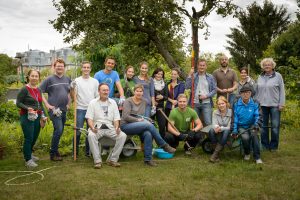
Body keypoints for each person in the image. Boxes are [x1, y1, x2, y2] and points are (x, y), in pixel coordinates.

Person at [120, 84, 176, 167]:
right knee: (148, 125)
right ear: (134, 92)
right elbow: (126, 116)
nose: (139, 93)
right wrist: (138, 120)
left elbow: (141, 115)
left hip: (138, 125)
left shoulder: (144, 101)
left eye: (141, 91)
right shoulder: (128, 101)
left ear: (143, 92)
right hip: (126, 125)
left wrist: (146, 119)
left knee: (148, 134)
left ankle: (148, 160)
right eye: (137, 91)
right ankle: (163, 145)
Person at [86, 83, 127, 168]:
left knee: (122, 135)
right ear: (99, 91)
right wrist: (92, 128)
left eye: (107, 90)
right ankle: (97, 161)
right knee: (91, 135)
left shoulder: (113, 102)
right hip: (97, 127)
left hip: (110, 127)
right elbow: (89, 119)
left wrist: (117, 127)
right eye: (103, 90)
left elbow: (116, 118)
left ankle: (113, 160)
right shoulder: (92, 103)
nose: (106, 92)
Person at [40, 58, 71, 161]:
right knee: (59, 130)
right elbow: (39, 92)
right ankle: (53, 154)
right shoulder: (49, 79)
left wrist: (69, 103)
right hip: (54, 110)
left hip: (64, 109)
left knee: (59, 131)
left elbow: (69, 92)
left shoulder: (67, 79)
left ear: (64, 68)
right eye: (57, 66)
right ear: (54, 67)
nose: (59, 68)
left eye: (61, 66)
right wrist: (47, 104)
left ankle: (55, 149)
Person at [16, 69, 47, 168]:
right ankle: (28, 160)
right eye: (32, 76)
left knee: (34, 137)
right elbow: (18, 103)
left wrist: (44, 115)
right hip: (27, 117)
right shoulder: (24, 89)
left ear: (39, 78)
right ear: (28, 77)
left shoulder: (38, 90)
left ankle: (29, 154)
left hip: (37, 117)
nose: (34, 78)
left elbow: (40, 104)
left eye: (36, 76)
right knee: (29, 137)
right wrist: (27, 108)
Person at [255, 58, 285, 151]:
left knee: (275, 127)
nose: (267, 66)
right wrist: (255, 103)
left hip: (275, 105)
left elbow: (282, 91)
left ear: (272, 66)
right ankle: (265, 145)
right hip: (262, 105)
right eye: (265, 65)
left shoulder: (278, 76)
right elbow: (256, 90)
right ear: (263, 67)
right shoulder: (260, 77)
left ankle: (274, 146)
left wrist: (281, 103)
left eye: (269, 65)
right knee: (263, 127)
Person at [70, 61, 99, 157]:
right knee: (77, 131)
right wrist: (72, 88)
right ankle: (75, 152)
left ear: (90, 69)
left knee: (89, 131)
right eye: (84, 67)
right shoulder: (77, 81)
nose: (86, 69)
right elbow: (73, 96)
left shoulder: (95, 81)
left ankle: (88, 152)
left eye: (88, 67)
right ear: (81, 69)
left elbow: (97, 96)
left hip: (91, 109)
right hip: (80, 108)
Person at [231, 84, 263, 164]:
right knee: (245, 138)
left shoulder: (255, 103)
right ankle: (247, 153)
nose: (246, 94)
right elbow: (234, 118)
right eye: (243, 93)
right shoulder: (236, 103)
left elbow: (258, 116)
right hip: (241, 126)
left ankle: (257, 157)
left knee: (254, 135)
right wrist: (234, 130)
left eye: (248, 92)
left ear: (251, 93)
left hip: (253, 125)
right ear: (240, 94)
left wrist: (256, 125)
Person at [186, 59, 217, 126]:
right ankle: (197, 136)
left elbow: (215, 90)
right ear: (198, 66)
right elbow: (187, 86)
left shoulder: (210, 77)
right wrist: (189, 74)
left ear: (206, 66)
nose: (202, 67)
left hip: (207, 103)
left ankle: (209, 136)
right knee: (195, 123)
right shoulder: (193, 76)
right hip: (194, 103)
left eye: (203, 65)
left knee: (208, 122)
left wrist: (206, 96)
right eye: (200, 65)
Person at [208, 96, 232, 163]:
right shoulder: (215, 112)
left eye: (222, 103)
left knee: (226, 131)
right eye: (219, 104)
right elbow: (214, 123)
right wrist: (216, 127)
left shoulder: (231, 112)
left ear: (226, 103)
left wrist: (221, 128)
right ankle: (216, 154)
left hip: (227, 132)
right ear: (217, 105)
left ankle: (215, 154)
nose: (221, 105)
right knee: (211, 131)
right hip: (218, 131)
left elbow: (230, 126)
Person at [152, 68, 168, 138]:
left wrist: (162, 97)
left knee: (162, 125)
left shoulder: (165, 84)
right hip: (151, 106)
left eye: (161, 74)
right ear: (155, 74)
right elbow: (147, 94)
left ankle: (162, 144)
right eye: (158, 74)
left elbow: (166, 97)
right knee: (150, 125)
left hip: (160, 107)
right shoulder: (150, 82)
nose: (160, 75)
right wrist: (152, 101)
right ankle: (150, 143)